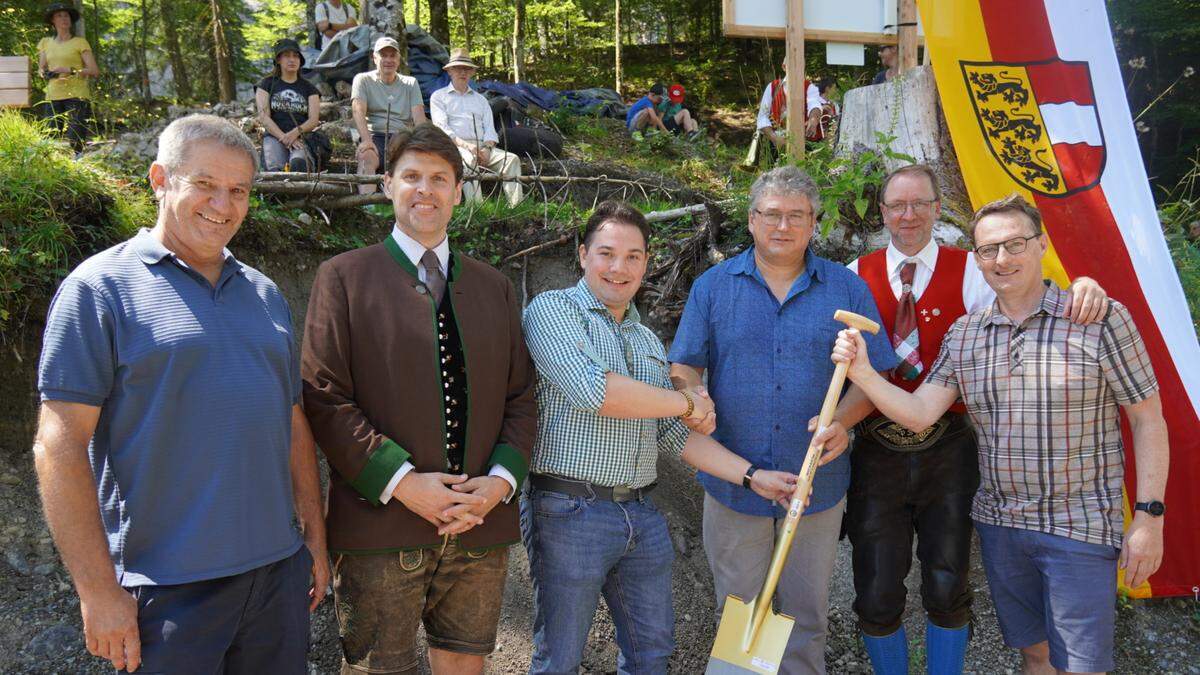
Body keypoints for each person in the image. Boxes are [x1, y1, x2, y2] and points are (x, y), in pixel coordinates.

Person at [33, 114, 329, 674]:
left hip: (275, 578)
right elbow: (59, 446)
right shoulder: (99, 289)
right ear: (160, 179)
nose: (223, 204)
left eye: (238, 190)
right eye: (205, 184)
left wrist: (312, 539)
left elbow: (290, 420)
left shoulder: (263, 293)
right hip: (163, 591)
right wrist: (97, 592)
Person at [833, 194, 1168, 675]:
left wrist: (1149, 516)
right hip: (1002, 524)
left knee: (1081, 666)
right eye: (989, 250)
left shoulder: (1098, 319)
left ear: (1041, 245)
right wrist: (862, 372)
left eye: (1015, 244)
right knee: (1034, 655)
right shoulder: (965, 334)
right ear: (977, 258)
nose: (1002, 259)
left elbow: (1148, 419)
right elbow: (919, 413)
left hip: (1079, 523)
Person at [521, 200, 800, 674]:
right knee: (560, 659)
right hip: (570, 512)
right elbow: (593, 391)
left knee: (652, 654)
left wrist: (751, 476)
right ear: (583, 254)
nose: (619, 267)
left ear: (646, 263)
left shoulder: (647, 340)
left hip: (642, 516)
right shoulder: (553, 311)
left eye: (633, 256)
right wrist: (689, 401)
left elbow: (672, 435)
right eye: (607, 253)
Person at [302, 123, 537, 675]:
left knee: (465, 665)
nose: (424, 190)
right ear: (387, 185)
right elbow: (324, 398)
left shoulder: (493, 286)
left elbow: (522, 397)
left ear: (459, 190)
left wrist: (499, 485)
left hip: (478, 524)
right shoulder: (343, 277)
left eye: (439, 178)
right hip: (380, 527)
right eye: (411, 176)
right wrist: (403, 484)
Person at [668, 166, 898, 674]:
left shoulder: (847, 288)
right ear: (751, 221)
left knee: (804, 616)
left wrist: (844, 421)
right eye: (771, 214)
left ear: (814, 223)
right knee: (739, 612)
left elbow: (870, 379)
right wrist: (691, 393)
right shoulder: (713, 287)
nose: (783, 226)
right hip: (736, 483)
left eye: (797, 216)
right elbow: (684, 364)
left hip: (814, 485)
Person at [430, 49, 523, 207]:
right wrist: (466, 145)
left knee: (511, 160)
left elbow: (490, 129)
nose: (463, 72)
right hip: (453, 146)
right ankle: (476, 208)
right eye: (458, 68)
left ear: (472, 72)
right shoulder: (439, 97)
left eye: (467, 68)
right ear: (450, 71)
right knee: (468, 160)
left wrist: (487, 148)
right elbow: (441, 128)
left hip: (482, 146)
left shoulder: (481, 100)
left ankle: (516, 207)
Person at [352, 37, 426, 191]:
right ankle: (368, 207)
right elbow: (358, 111)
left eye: (392, 55)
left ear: (399, 59)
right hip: (375, 134)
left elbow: (419, 119)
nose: (388, 60)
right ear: (374, 58)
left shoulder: (410, 83)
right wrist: (366, 140)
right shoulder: (363, 80)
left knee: (417, 161)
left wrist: (422, 142)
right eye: (383, 55)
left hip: (403, 135)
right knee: (366, 158)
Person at [36, 2, 99, 154]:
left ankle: (79, 164)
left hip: (77, 95)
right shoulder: (45, 43)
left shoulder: (79, 42)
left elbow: (94, 70)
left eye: (67, 16)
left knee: (75, 136)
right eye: (59, 16)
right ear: (53, 20)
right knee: (51, 135)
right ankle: (52, 168)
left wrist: (70, 70)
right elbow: (41, 68)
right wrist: (45, 73)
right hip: (53, 94)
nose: (64, 18)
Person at [256, 38, 321, 172]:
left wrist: (294, 133)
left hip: (301, 137)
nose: (292, 60)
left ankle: (301, 193)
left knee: (299, 164)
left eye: (295, 56)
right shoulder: (266, 84)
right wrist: (283, 137)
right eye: (287, 56)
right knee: (274, 168)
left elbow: (313, 120)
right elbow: (264, 117)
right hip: (274, 136)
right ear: (278, 60)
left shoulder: (310, 88)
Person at [755, 61, 825, 151]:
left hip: (805, 144)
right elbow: (762, 117)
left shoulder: (809, 87)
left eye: (800, 65)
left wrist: (813, 119)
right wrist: (774, 138)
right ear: (784, 67)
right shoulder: (772, 87)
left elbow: (814, 104)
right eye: (793, 65)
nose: (797, 69)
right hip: (777, 144)